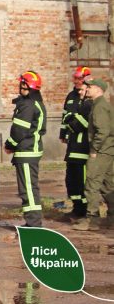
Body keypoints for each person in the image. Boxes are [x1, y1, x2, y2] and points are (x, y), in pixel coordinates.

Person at [4, 71, 46, 228]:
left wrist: (9, 144)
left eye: (21, 83)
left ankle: (34, 223)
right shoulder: (34, 103)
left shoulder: (28, 105)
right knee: (28, 188)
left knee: (28, 188)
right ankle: (32, 222)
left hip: (27, 151)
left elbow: (19, 130)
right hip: (29, 150)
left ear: (26, 85)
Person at [73, 78, 114, 231]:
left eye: (90, 87)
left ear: (98, 89)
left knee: (92, 183)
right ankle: (112, 218)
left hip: (102, 150)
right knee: (108, 185)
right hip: (108, 149)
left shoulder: (99, 107)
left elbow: (102, 131)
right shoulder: (103, 105)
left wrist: (94, 150)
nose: (87, 88)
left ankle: (92, 219)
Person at [60, 66, 92, 221]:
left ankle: (83, 211)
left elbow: (81, 123)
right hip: (71, 145)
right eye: (75, 78)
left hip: (83, 146)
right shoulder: (71, 96)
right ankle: (75, 207)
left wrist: (71, 120)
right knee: (70, 179)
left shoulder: (89, 102)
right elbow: (65, 116)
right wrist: (62, 133)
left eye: (80, 79)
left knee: (81, 180)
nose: (77, 82)